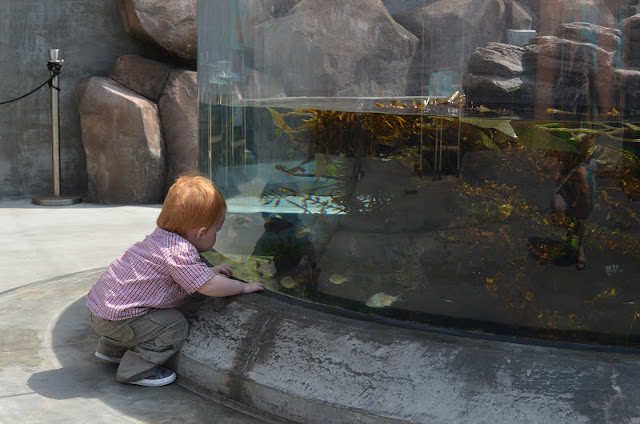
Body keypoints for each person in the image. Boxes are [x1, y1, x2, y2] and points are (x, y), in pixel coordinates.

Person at [85, 173, 264, 387]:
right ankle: (134, 370)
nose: (216, 236)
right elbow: (208, 286)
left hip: (99, 311)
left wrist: (208, 270)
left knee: (139, 315)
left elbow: (182, 273)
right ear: (201, 233)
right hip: (119, 322)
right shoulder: (180, 251)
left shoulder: (161, 238)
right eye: (216, 231)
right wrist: (242, 288)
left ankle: (111, 350)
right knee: (174, 325)